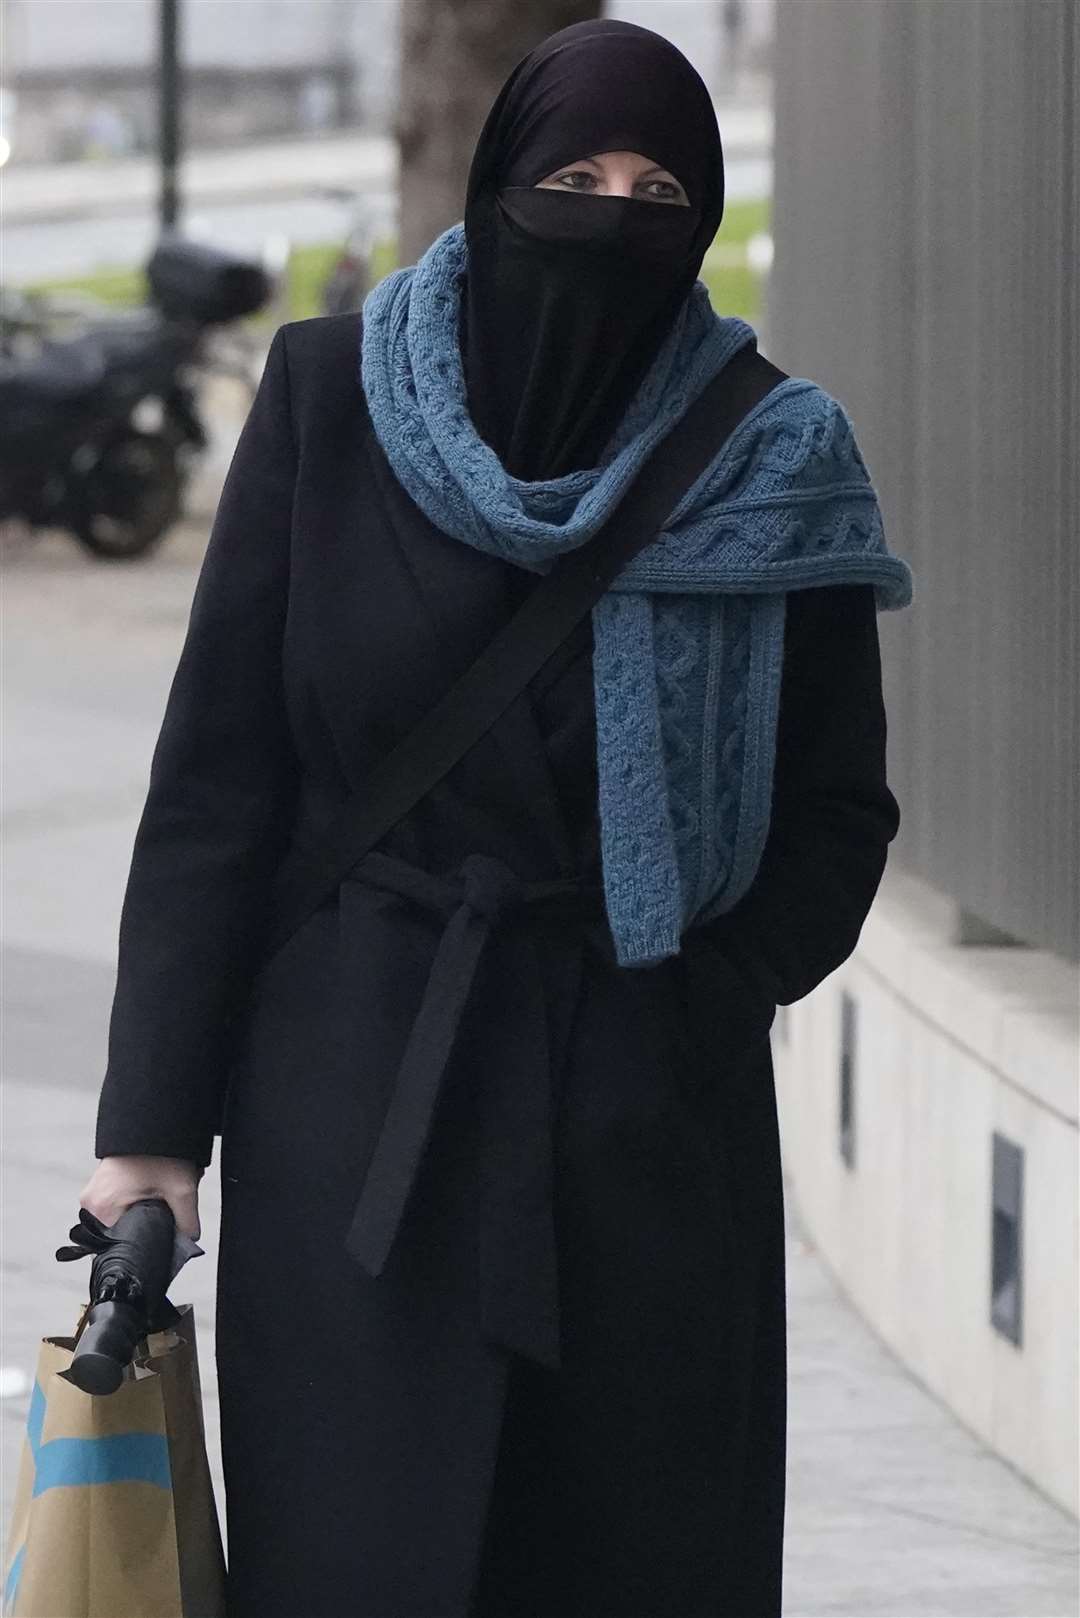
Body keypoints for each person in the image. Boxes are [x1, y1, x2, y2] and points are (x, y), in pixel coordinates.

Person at [80, 18, 912, 1618]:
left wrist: (696, 998)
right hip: (356, 1116)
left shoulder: (767, 457)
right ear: (492, 185)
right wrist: (150, 1139)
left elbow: (838, 806)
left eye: (658, 186)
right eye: (572, 177)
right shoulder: (330, 398)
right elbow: (218, 788)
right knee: (357, 1561)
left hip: (649, 1136)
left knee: (632, 1560)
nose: (610, 213)